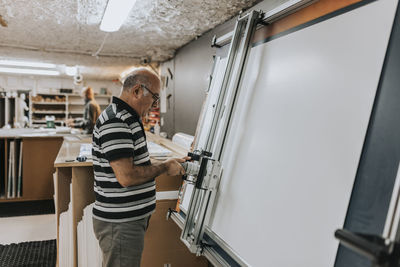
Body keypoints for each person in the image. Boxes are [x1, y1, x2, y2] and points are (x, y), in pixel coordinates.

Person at [92, 68, 187, 267]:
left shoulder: (128, 118)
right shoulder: (117, 120)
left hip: (128, 219)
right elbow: (127, 176)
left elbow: (135, 166)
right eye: (154, 97)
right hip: (121, 222)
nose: (155, 105)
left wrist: (168, 163)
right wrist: (164, 168)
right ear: (136, 91)